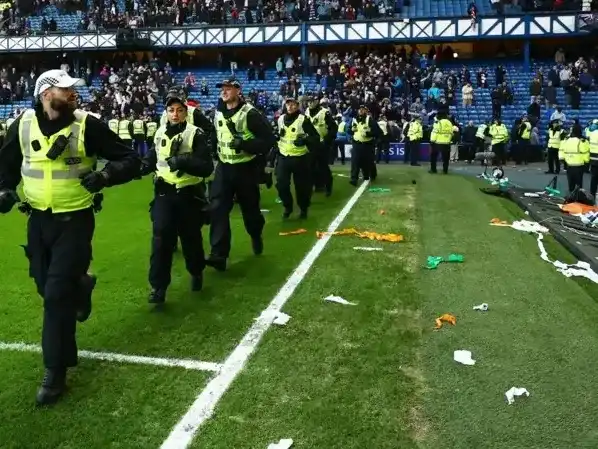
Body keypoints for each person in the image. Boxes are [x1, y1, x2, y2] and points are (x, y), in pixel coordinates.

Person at [0, 69, 140, 405]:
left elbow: (130, 159)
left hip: (75, 222)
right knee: (46, 286)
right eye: (66, 89)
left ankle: (55, 371)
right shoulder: (22, 125)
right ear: (46, 94)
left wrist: (105, 176)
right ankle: (82, 285)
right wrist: (4, 191)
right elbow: (5, 168)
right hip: (37, 221)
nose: (73, 93)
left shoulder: (88, 124)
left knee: (55, 295)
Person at [139, 90, 213, 306]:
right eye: (171, 110)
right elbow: (154, 155)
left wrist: (183, 161)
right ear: (166, 112)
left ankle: (196, 271)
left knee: (190, 238)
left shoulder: (196, 134)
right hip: (164, 193)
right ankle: (158, 287)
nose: (175, 114)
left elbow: (206, 167)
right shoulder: (160, 132)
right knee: (161, 239)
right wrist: (143, 164)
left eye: (180, 110)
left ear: (186, 112)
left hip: (189, 194)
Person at [207, 77, 276, 272]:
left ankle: (255, 234)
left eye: (228, 88)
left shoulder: (250, 114)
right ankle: (219, 254)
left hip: (246, 169)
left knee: (250, 211)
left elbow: (268, 140)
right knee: (218, 208)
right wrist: (213, 148)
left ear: (238, 91)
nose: (224, 91)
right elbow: (216, 134)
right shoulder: (218, 111)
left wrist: (245, 144)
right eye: (222, 88)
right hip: (224, 168)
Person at [275, 97, 321, 219]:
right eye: (288, 104)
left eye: (293, 104)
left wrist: (305, 140)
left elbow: (315, 137)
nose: (290, 107)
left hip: (300, 158)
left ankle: (303, 208)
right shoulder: (280, 119)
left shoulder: (303, 120)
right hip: (284, 156)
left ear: (297, 105)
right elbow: (278, 135)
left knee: (302, 187)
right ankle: (288, 206)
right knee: (281, 185)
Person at [305, 96, 337, 196]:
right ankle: (316, 185)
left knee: (323, 167)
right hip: (310, 144)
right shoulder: (306, 111)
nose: (310, 103)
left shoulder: (325, 112)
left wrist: (326, 141)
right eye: (308, 101)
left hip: (322, 144)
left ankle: (328, 187)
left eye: (312, 101)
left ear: (317, 101)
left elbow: (333, 128)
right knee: (310, 167)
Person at [350, 105, 381, 185]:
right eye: (360, 109)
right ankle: (354, 179)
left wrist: (368, 134)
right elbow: (349, 130)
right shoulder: (354, 120)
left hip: (367, 144)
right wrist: (351, 130)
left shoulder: (370, 120)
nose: (361, 110)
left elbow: (378, 132)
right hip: (356, 143)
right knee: (355, 161)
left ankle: (370, 174)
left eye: (363, 109)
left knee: (369, 161)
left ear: (366, 111)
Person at [559, 127, 589, 194]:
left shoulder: (566, 140)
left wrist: (562, 159)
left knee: (571, 184)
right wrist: (586, 161)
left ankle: (571, 196)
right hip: (579, 165)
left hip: (569, 165)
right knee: (579, 185)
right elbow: (585, 151)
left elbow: (562, 149)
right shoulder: (582, 141)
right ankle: (578, 197)